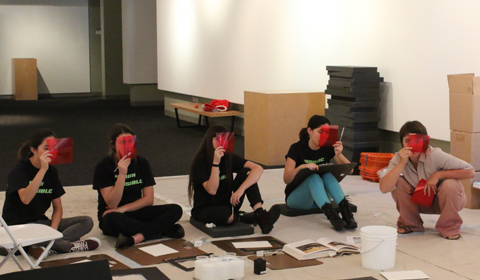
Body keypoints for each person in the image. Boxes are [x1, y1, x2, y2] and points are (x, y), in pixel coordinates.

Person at [2, 128, 100, 258]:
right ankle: (67, 246)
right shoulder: (20, 169)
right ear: (33, 150)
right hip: (19, 227)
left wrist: (52, 231)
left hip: (41, 224)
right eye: (46, 148)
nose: (50, 152)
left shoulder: (52, 171)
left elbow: (58, 208)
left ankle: (47, 245)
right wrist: (42, 170)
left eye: (53, 147)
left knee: (86, 222)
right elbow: (25, 199)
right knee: (37, 235)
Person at [93, 123, 184, 249]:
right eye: (122, 143)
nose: (127, 146)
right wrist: (122, 175)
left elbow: (148, 199)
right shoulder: (103, 166)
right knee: (112, 219)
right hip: (114, 215)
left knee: (175, 209)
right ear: (113, 145)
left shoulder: (141, 162)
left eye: (131, 142)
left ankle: (137, 237)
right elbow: (112, 204)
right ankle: (163, 230)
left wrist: (123, 209)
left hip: (135, 210)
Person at [379, 121, 474, 240]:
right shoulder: (399, 157)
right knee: (397, 181)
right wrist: (401, 163)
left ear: (425, 141)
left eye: (416, 140)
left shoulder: (435, 155)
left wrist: (438, 175)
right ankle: (411, 224)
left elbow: (470, 171)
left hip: (444, 201)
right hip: (418, 201)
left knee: (451, 184)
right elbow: (384, 188)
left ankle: (449, 227)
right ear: (402, 143)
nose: (411, 144)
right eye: (407, 140)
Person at [188, 125, 280, 234]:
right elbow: (212, 190)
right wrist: (216, 163)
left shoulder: (229, 157)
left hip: (228, 202)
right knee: (225, 215)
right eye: (218, 139)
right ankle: (244, 218)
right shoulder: (200, 161)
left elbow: (258, 169)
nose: (221, 143)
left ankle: (260, 215)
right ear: (210, 140)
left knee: (247, 173)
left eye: (225, 139)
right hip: (206, 207)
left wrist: (240, 190)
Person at [283, 115, 356, 231]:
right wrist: (302, 167)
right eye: (319, 132)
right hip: (298, 198)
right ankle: (333, 217)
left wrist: (338, 154)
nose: (323, 136)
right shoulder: (296, 148)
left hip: (320, 199)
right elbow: (286, 179)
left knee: (327, 175)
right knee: (314, 177)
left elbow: (350, 170)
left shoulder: (327, 147)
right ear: (309, 131)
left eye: (326, 133)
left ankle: (347, 214)